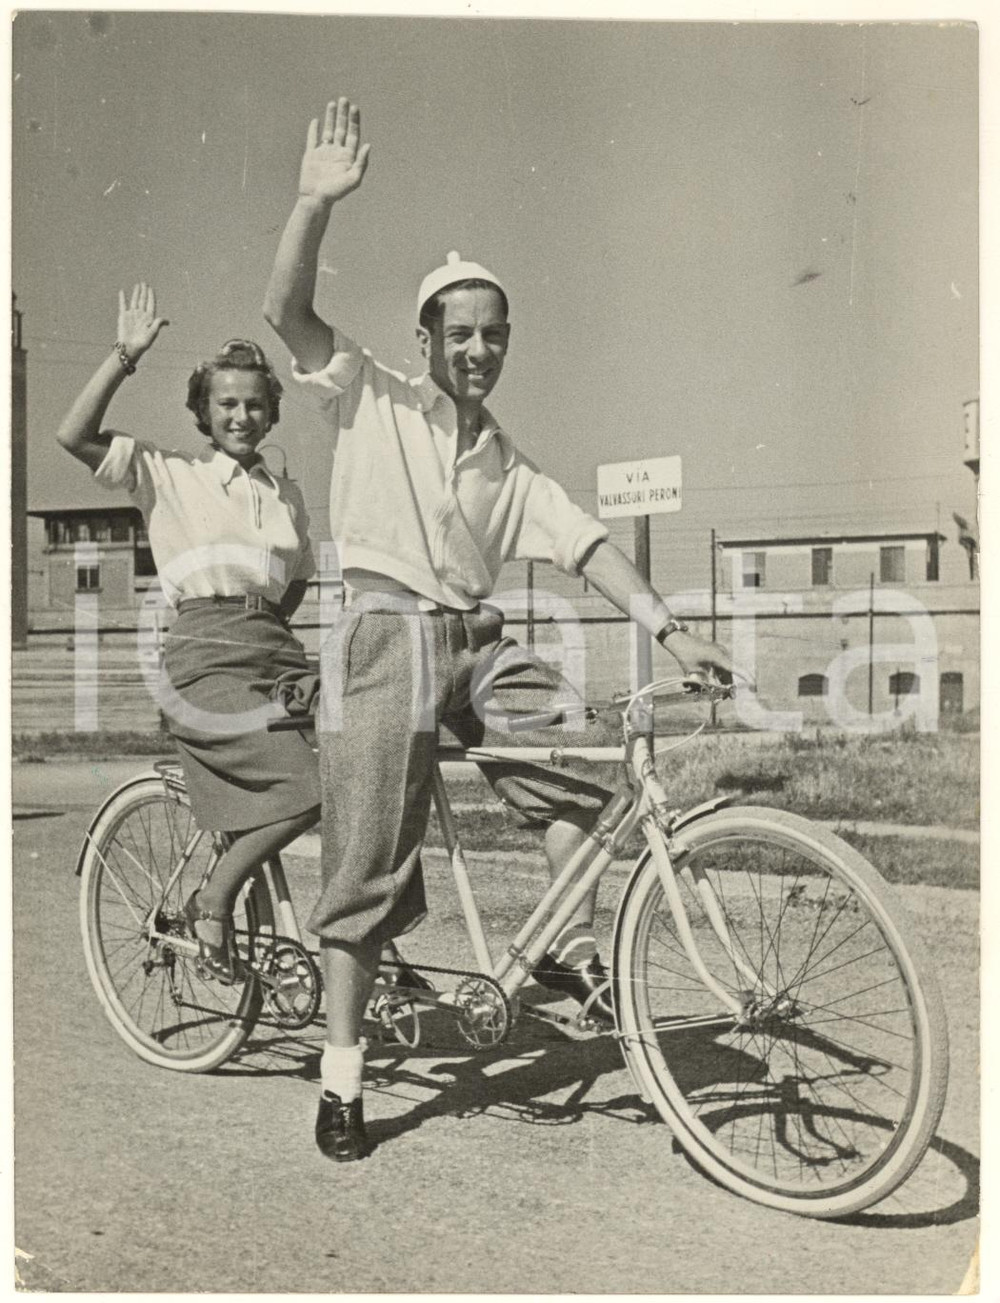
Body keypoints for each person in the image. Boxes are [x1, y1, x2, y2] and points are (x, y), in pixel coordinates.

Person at [263, 99, 737, 1163]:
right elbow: (285, 310)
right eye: (459, 333)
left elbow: (587, 546)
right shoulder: (371, 394)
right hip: (384, 633)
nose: (476, 350)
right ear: (425, 337)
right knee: (366, 862)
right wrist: (313, 202)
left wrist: (669, 628)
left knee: (580, 766)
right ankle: (341, 1080)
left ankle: (571, 948)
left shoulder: (507, 461)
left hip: (477, 641)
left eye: (493, 336)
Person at [56, 284, 322, 983]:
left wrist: (262, 626)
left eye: (254, 403)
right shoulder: (168, 472)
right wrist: (124, 356)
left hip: (275, 650)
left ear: (271, 411)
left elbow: (297, 579)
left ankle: (371, 943)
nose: (241, 414)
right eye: (226, 403)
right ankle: (214, 896)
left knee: (367, 766)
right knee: (308, 788)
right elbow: (73, 434)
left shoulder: (285, 491)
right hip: (204, 656)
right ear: (203, 410)